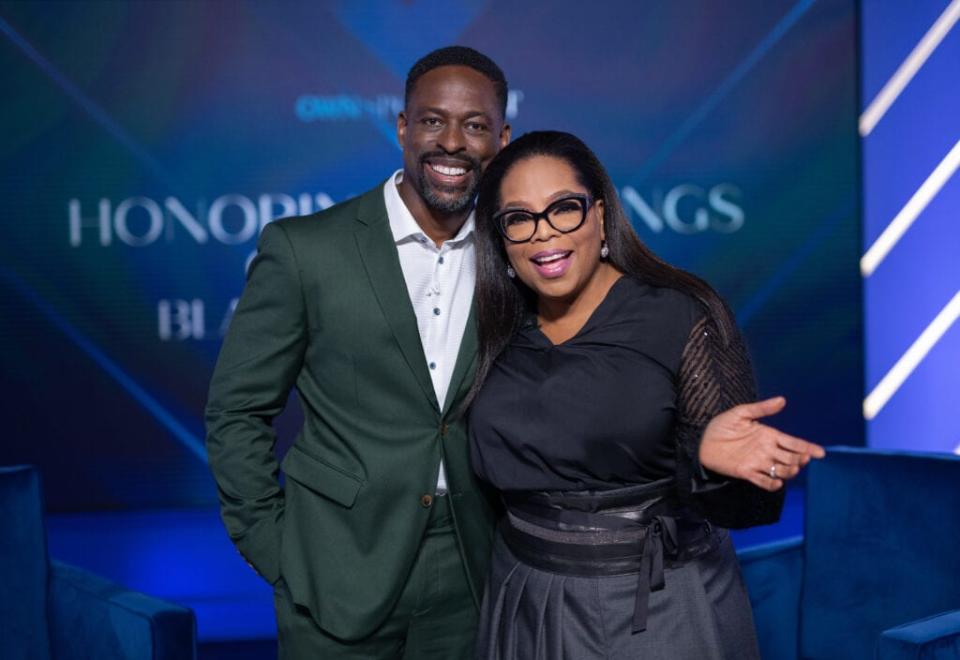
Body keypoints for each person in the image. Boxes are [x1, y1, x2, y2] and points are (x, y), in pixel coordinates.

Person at [466, 131, 826, 659]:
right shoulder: (495, 329)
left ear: (600, 213)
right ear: (501, 239)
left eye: (563, 208)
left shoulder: (681, 313)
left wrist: (704, 457)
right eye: (519, 219)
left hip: (658, 604)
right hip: (524, 597)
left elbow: (749, 505)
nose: (543, 235)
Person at [204, 46, 510, 659]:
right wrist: (280, 552)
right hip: (336, 565)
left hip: (475, 568)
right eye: (432, 120)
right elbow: (236, 411)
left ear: (501, 139)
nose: (452, 142)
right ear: (402, 126)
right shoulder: (304, 249)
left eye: (474, 125)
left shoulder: (514, 256)